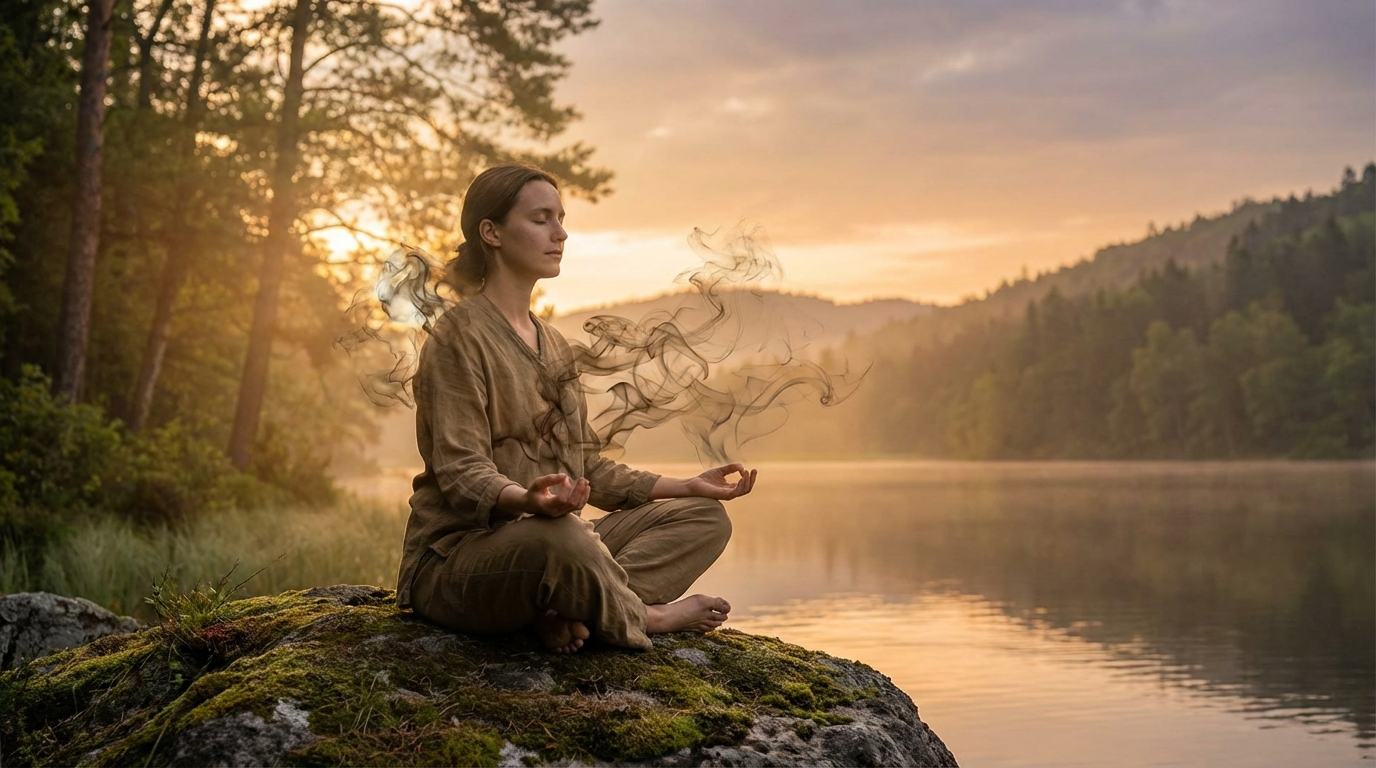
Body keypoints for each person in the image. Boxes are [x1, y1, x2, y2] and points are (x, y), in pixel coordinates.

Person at [397, 163, 758, 653]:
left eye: (561, 218)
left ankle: (563, 611)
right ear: (492, 232)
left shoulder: (556, 346)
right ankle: (643, 617)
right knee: (564, 537)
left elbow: (586, 466)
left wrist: (686, 485)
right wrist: (528, 502)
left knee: (703, 518)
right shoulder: (456, 338)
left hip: (553, 546)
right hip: (457, 562)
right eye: (541, 218)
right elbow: (462, 474)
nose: (561, 233)